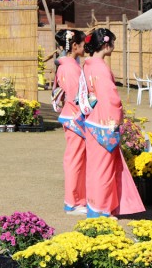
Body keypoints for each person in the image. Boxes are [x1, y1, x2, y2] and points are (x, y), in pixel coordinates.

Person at [82, 28, 145, 218]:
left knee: (95, 166)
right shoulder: (100, 67)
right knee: (104, 168)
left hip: (92, 120)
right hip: (104, 122)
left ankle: (95, 205)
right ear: (105, 44)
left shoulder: (88, 65)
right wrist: (118, 118)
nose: (114, 46)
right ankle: (101, 208)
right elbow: (111, 97)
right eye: (113, 42)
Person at [54, 29, 88, 215]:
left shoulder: (67, 65)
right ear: (74, 46)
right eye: (83, 44)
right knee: (75, 160)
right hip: (75, 117)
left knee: (76, 159)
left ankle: (77, 199)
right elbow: (76, 96)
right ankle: (72, 201)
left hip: (72, 115)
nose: (85, 47)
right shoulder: (69, 67)